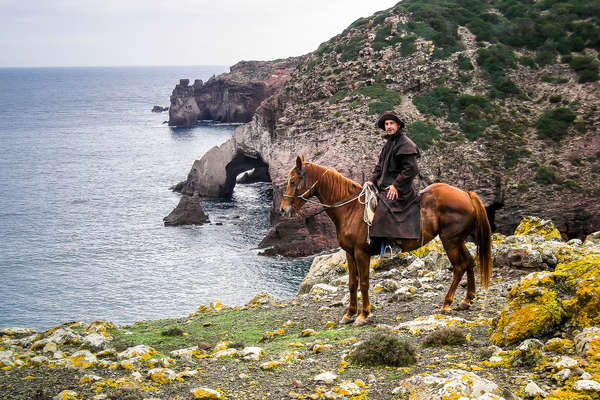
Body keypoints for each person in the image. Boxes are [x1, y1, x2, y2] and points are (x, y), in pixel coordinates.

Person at [365, 111, 421, 242]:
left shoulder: (406, 143)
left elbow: (412, 169)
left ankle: (393, 242)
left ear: (398, 125)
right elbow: (379, 166)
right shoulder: (388, 144)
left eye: (391, 123)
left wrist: (396, 186)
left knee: (384, 208)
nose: (389, 126)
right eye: (386, 124)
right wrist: (371, 181)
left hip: (401, 189)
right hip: (385, 187)